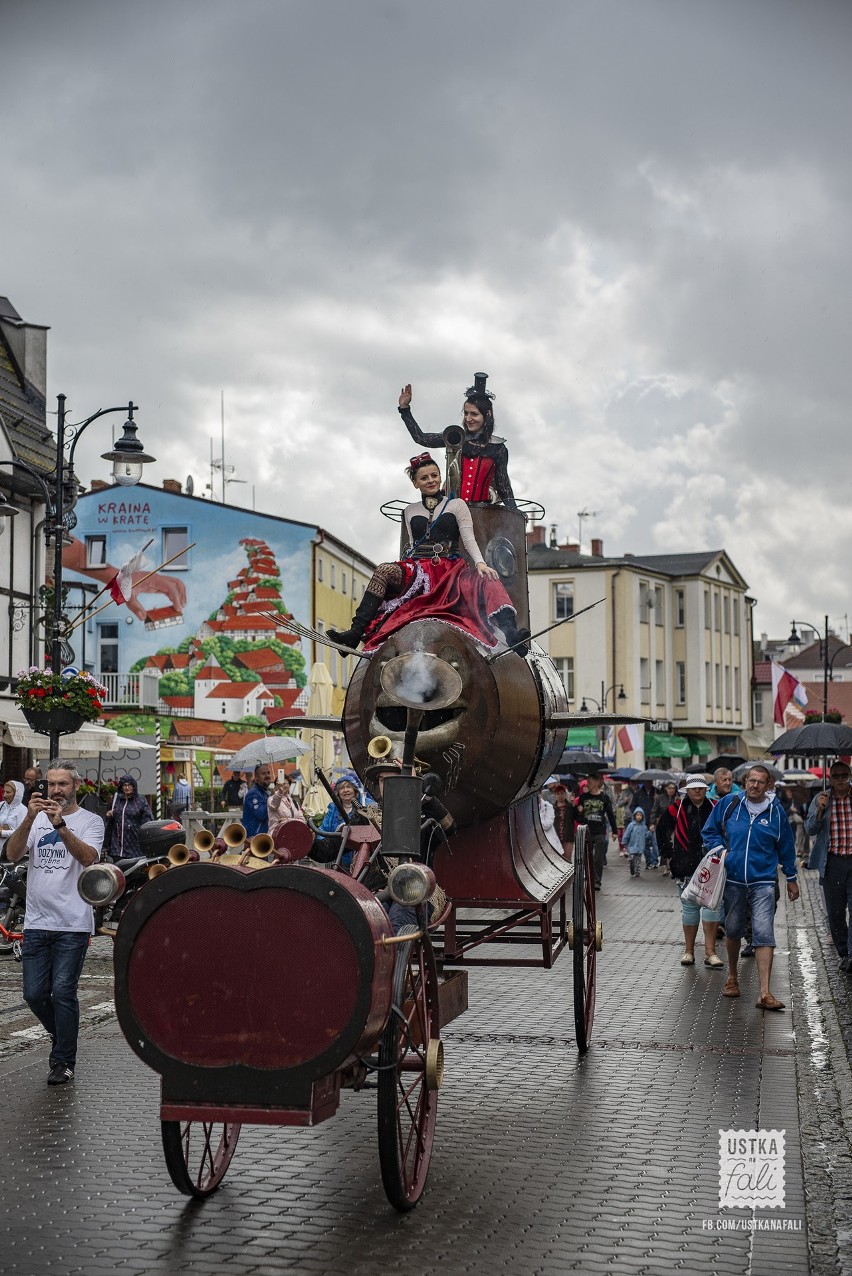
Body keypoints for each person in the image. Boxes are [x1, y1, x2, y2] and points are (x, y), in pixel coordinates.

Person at [327, 453, 529, 654]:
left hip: (450, 570)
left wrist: (480, 563)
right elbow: (413, 545)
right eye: (424, 478)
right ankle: (354, 633)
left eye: (434, 475)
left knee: (489, 577)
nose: (431, 480)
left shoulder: (456, 505)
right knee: (383, 570)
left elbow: (468, 539)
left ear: (440, 477)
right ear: (415, 483)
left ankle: (511, 634)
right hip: (419, 571)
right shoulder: (409, 511)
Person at [5, 759, 104, 1086]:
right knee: (34, 994)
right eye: (51, 784)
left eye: (62, 784)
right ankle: (63, 1036)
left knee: (62, 992)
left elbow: (89, 858)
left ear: (76, 786)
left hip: (72, 923)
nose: (56, 790)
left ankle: (63, 1060)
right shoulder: (34, 820)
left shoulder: (91, 821)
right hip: (36, 921)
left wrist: (61, 826)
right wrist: (31, 817)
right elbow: (12, 853)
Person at [703, 764, 799, 1010]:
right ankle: (732, 978)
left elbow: (786, 845)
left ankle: (765, 993)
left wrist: (791, 877)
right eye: (751, 781)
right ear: (745, 782)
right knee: (733, 930)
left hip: (764, 881)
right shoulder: (730, 804)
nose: (754, 785)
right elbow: (710, 831)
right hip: (733, 879)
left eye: (760, 782)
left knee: (764, 932)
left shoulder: (775, 812)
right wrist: (721, 851)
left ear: (768, 786)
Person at [397, 374, 517, 509]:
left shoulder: (498, 448)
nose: (468, 418)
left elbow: (503, 484)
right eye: (466, 413)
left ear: (487, 415)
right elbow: (421, 438)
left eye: (474, 414)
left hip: (482, 513)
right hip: (449, 510)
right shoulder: (455, 437)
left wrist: (514, 511)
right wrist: (405, 409)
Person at [656, 775, 723, 969]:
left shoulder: (715, 806)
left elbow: (727, 829)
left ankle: (711, 953)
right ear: (687, 790)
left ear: (705, 789)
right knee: (690, 909)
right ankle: (689, 951)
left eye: (700, 788)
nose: (697, 791)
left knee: (712, 907)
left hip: (712, 864)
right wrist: (668, 854)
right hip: (684, 865)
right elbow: (661, 829)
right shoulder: (675, 808)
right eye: (693, 788)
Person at [805, 762, 852, 974]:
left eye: (844, 775)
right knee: (835, 913)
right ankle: (843, 951)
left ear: (849, 776)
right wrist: (820, 812)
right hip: (832, 863)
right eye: (836, 776)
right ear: (830, 778)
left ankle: (851, 955)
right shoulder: (821, 799)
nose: (841, 779)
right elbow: (810, 829)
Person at [575, 773, 617, 890]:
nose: (587, 784)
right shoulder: (583, 798)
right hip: (586, 831)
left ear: (597, 782)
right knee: (586, 857)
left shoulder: (604, 798)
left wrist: (614, 831)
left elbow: (610, 815)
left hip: (600, 831)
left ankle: (596, 881)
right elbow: (577, 817)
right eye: (587, 782)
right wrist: (578, 811)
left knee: (598, 858)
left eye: (590, 781)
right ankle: (587, 877)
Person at [104, 776, 154, 861]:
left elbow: (148, 819)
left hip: (134, 845)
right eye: (125, 785)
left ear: (134, 786)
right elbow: (111, 817)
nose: (127, 788)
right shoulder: (117, 799)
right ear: (121, 786)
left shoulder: (140, 800)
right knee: (119, 870)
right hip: (117, 846)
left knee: (133, 871)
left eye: (129, 785)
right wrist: (109, 814)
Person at [267, 773, 308, 837]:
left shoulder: (294, 802)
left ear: (289, 785)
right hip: (276, 836)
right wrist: (280, 792)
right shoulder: (271, 799)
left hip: (291, 836)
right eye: (280, 784)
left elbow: (303, 820)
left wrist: (288, 820)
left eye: (284, 783)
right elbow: (274, 806)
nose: (282, 786)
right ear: (276, 786)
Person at [652, 781, 678, 871]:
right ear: (665, 789)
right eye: (669, 788)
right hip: (662, 824)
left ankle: (672, 865)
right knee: (664, 843)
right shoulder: (659, 798)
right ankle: (665, 866)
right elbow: (654, 811)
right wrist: (652, 823)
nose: (671, 790)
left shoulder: (678, 799)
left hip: (674, 825)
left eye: (673, 788)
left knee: (673, 844)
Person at [242, 764, 272, 837]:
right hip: (254, 837)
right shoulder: (253, 794)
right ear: (256, 777)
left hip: (265, 835)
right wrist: (272, 798)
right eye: (263, 774)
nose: (267, 776)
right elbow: (261, 814)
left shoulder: (266, 792)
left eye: (268, 773)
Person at [622, 808, 654, 877]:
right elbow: (627, 833)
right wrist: (624, 841)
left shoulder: (644, 827)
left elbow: (646, 836)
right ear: (634, 816)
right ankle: (632, 868)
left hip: (640, 847)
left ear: (642, 817)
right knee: (632, 859)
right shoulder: (631, 825)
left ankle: (637, 872)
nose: (639, 816)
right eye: (637, 815)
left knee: (638, 861)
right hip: (632, 846)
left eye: (640, 815)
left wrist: (650, 832)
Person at [551, 783, 577, 861]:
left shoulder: (570, 807)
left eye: (562, 793)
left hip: (568, 836)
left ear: (565, 794)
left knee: (567, 859)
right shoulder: (552, 808)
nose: (560, 795)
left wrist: (574, 806)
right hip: (556, 836)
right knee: (557, 860)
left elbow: (577, 818)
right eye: (558, 794)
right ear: (555, 795)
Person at [0, 781, 27, 857]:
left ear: (16, 794)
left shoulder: (22, 810)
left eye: (8, 792)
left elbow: (22, 833)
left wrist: (2, 833)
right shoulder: (1, 805)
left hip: (10, 848)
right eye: (4, 792)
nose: (4, 795)